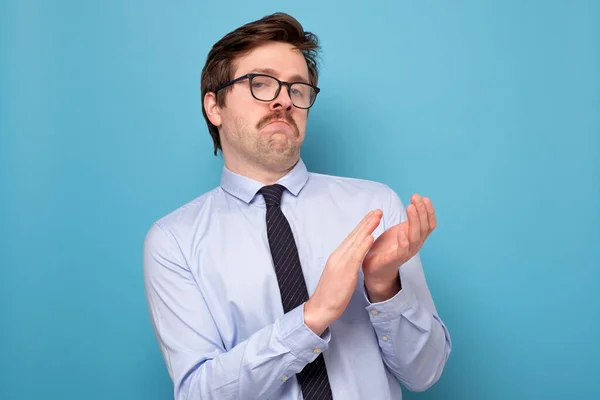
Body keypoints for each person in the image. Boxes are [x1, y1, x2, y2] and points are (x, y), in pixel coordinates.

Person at [143, 12, 452, 400]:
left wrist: (383, 286)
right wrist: (312, 317)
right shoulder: (174, 241)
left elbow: (424, 374)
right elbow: (198, 394)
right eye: (261, 84)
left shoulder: (374, 208)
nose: (283, 100)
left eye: (297, 89)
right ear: (214, 107)